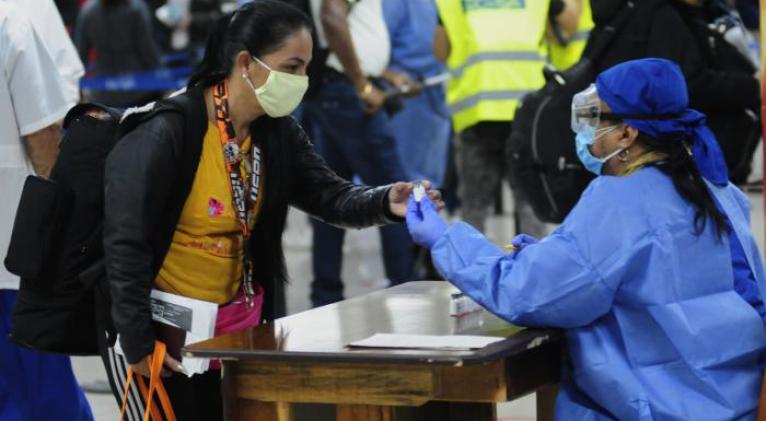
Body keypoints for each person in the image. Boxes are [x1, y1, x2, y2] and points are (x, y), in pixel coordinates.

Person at [102, 2, 441, 420]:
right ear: (246, 63)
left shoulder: (275, 132)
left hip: (236, 336)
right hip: (161, 342)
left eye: (307, 68)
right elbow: (125, 241)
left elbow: (329, 196)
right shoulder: (168, 131)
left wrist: (387, 202)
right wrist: (136, 342)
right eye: (293, 67)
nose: (303, 80)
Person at [406, 58, 766, 420]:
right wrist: (563, 255)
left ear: (627, 134)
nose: (586, 133)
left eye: (595, 120)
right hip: (734, 398)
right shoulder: (718, 189)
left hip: (660, 406)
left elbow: (530, 292)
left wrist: (445, 240)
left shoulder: (620, 200)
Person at [0, 4, 93, 420]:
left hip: (14, 258)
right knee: (38, 395)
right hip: (15, 258)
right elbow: (45, 140)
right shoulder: (12, 21)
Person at [303, 0, 416, 307]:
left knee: (329, 197)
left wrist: (382, 75)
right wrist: (362, 84)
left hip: (335, 89)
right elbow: (332, 16)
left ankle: (325, 296)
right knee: (396, 196)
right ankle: (407, 292)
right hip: (347, 92)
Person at [434, 0, 579, 236]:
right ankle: (532, 268)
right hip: (527, 113)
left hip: (478, 112)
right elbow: (570, 25)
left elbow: (441, 51)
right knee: (530, 204)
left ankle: (469, 268)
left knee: (475, 206)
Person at [585, 0, 761, 184]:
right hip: (659, 160)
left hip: (633, 155)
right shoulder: (662, 17)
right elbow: (691, 84)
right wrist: (754, 86)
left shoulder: (636, 12)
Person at [382, 0, 451, 188]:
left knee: (428, 178)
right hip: (404, 94)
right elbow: (368, 49)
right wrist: (392, 76)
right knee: (401, 178)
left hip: (437, 89)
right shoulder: (397, 5)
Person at [74, 0, 163, 107]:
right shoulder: (136, 8)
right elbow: (147, 49)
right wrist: (161, 77)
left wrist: (77, 89)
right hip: (138, 88)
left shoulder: (88, 11)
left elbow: (80, 55)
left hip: (103, 90)